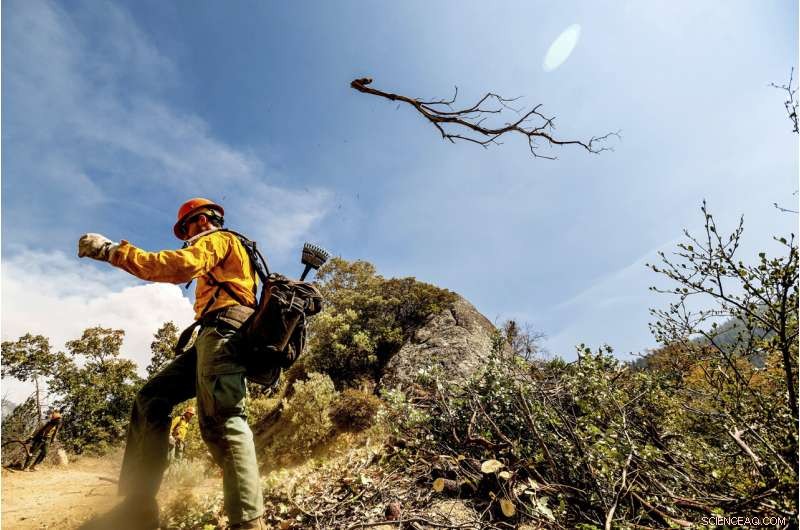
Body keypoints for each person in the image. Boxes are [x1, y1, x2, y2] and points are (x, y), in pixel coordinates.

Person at [77, 198, 265, 530]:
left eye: (186, 230)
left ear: (202, 221)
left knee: (224, 421)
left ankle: (249, 523)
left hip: (224, 334)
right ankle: (138, 507)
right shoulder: (231, 249)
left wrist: (111, 251)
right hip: (213, 333)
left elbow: (180, 265)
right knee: (151, 398)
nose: (186, 238)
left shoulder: (218, 239)